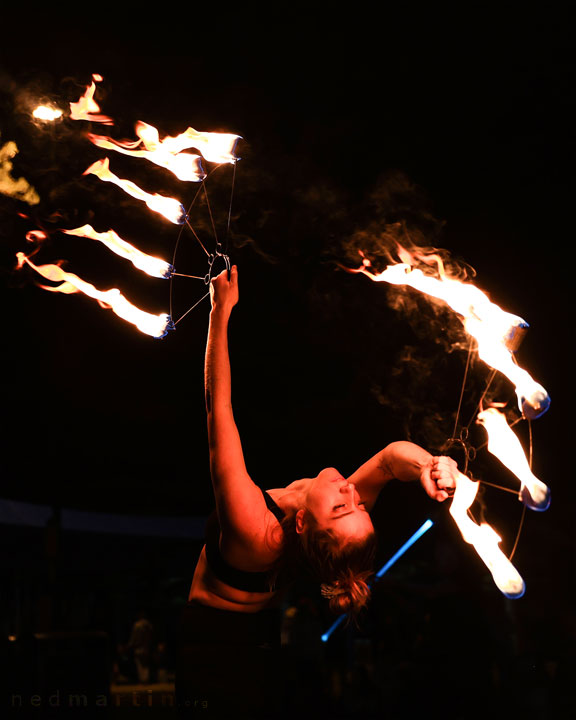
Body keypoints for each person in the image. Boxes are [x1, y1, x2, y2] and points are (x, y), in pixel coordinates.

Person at [175, 266, 458, 718]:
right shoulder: (325, 518)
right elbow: (388, 462)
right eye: (357, 503)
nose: (349, 489)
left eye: (342, 506)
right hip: (263, 638)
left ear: (305, 524)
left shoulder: (255, 530)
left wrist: (220, 312)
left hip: (215, 651)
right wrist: (428, 464)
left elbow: (218, 409)